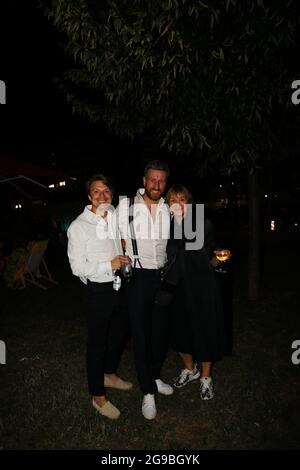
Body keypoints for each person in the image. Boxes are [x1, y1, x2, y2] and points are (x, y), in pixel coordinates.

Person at [67, 174, 132, 420]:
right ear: (88, 196)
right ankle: (97, 395)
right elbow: (77, 267)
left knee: (120, 332)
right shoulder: (78, 227)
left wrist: (123, 246)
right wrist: (110, 263)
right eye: (96, 191)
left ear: (111, 195)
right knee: (97, 343)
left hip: (120, 285)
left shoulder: (114, 214)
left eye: (106, 191)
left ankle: (109, 373)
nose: (102, 196)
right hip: (98, 289)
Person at [117, 160, 173, 420]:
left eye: (161, 180)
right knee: (140, 335)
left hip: (161, 277)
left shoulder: (170, 207)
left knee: (160, 335)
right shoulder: (126, 205)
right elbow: (111, 237)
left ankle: (154, 376)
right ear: (144, 180)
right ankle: (147, 392)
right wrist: (118, 258)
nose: (157, 185)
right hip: (138, 277)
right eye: (153, 179)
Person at [165, 184, 230, 400]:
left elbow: (211, 259)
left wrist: (220, 255)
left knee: (205, 330)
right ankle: (190, 369)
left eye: (182, 200)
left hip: (202, 286)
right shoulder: (165, 228)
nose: (177, 204)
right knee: (180, 331)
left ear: (190, 204)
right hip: (177, 288)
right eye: (172, 200)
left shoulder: (203, 224)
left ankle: (205, 377)